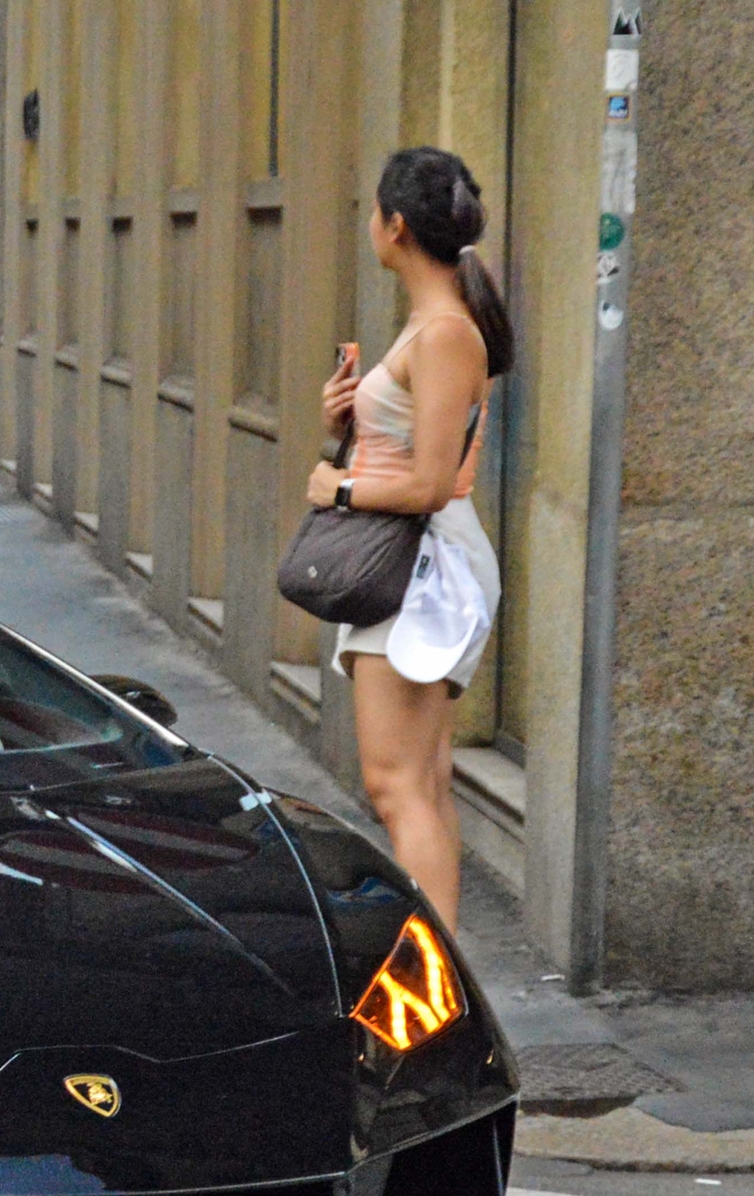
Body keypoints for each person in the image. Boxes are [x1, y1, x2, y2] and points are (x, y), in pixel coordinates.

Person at [305, 146, 513, 932]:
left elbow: (432, 484)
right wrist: (344, 423)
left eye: (373, 211)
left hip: (423, 569)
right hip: (417, 565)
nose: (369, 224)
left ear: (395, 226)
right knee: (420, 784)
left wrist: (340, 486)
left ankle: (431, 988)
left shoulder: (445, 334)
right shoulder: (433, 327)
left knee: (398, 786)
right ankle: (440, 981)